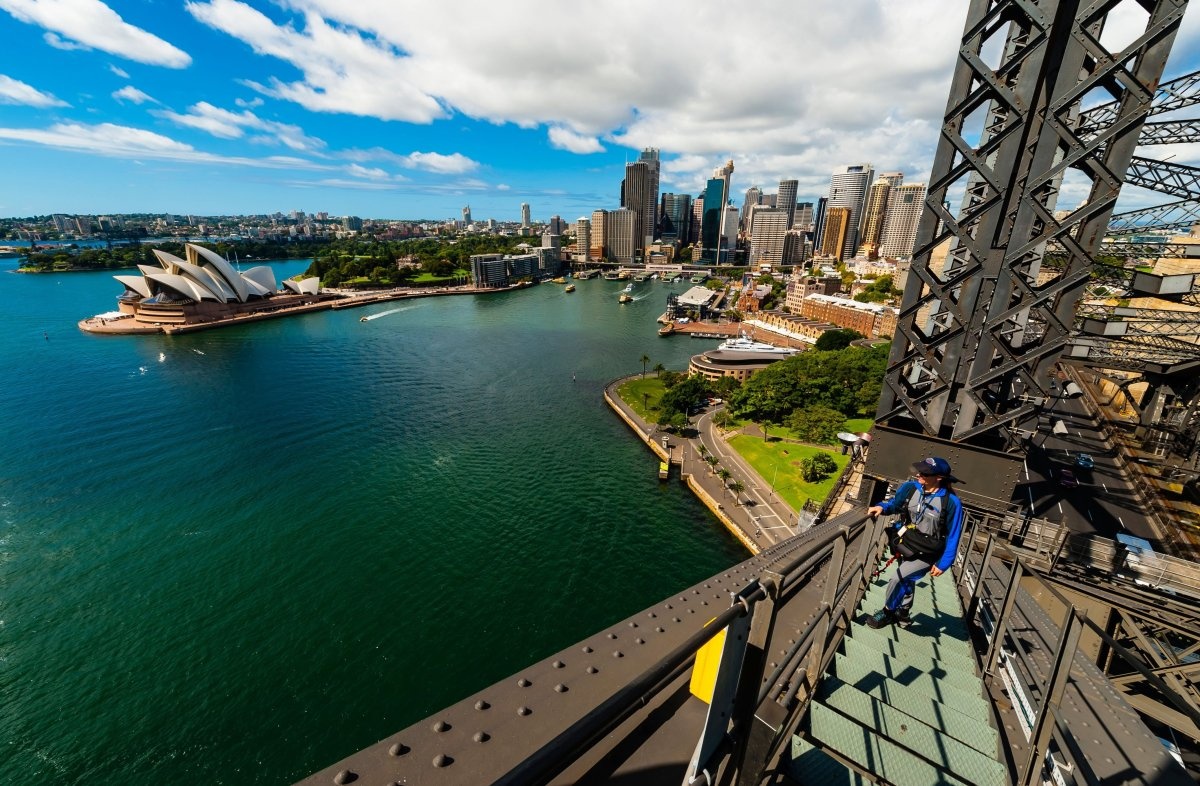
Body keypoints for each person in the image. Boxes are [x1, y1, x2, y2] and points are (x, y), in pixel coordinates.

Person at [863, 456, 964, 629]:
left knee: (898, 577)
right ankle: (903, 612)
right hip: (906, 543)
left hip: (927, 552)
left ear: (939, 478)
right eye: (920, 470)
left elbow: (953, 535)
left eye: (925, 473)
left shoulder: (951, 502)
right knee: (907, 579)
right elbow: (895, 504)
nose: (919, 474)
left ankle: (887, 612)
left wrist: (944, 563)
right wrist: (882, 507)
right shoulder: (910, 488)